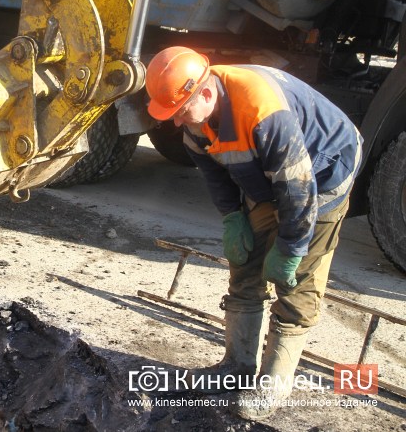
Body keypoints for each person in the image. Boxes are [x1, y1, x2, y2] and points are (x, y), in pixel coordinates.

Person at [144, 46, 362, 419]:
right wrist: (233, 217)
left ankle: (273, 384)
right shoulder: (197, 123)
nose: (177, 122)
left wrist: (291, 249)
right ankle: (238, 366)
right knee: (245, 262)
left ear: (206, 93)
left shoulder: (263, 113)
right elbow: (215, 174)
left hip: (324, 171)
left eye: (180, 111)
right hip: (272, 171)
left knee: (297, 282)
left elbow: (298, 193)